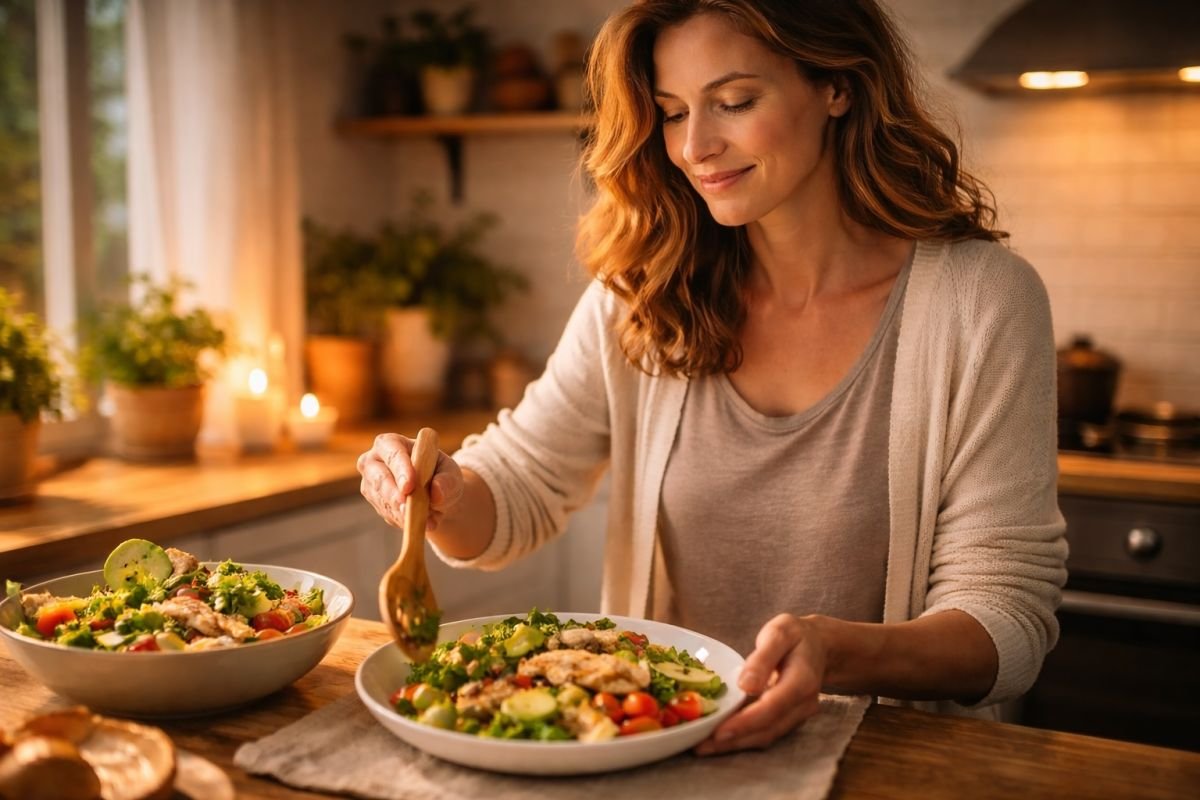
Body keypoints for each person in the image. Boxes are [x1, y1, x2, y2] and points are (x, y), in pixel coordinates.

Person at [358, 0, 1067, 755]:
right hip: (658, 754)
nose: (695, 146)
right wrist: (442, 493)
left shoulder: (982, 301)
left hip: (888, 767)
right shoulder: (644, 294)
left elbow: (1008, 619)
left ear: (837, 86)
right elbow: (521, 485)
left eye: (734, 102)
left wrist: (837, 650)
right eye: (670, 113)